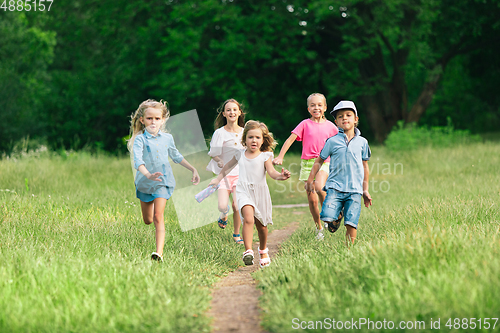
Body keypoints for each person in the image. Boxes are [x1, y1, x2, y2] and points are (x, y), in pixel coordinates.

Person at [209, 120, 291, 267]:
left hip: (260, 192)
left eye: (258, 138)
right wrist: (217, 179)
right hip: (243, 190)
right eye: (250, 137)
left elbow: (272, 173)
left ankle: (263, 250)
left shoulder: (265, 156)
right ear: (244, 139)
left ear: (263, 140)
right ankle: (248, 251)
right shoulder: (239, 154)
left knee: (262, 227)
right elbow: (227, 167)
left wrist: (281, 176)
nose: (254, 140)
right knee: (248, 219)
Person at [128, 99, 200, 262]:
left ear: (163, 120)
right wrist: (148, 175)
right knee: (148, 220)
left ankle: (158, 253)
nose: (153, 122)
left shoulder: (167, 138)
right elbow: (138, 161)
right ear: (142, 120)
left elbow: (176, 156)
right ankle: (150, 207)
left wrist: (192, 169)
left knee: (158, 216)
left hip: (163, 181)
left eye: (157, 119)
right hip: (145, 183)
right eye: (149, 118)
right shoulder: (140, 139)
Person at [273, 93, 340, 240]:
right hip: (307, 163)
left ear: (325, 108)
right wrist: (280, 156)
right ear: (308, 108)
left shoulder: (331, 126)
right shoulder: (304, 124)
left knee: (319, 187)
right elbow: (290, 140)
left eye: (319, 105)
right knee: (312, 199)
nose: (316, 108)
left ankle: (329, 215)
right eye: (313, 105)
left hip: (324, 162)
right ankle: (319, 228)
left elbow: (340, 143)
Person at [305, 101, 372, 245]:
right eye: (340, 117)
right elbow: (319, 160)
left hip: (355, 190)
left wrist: (365, 190)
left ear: (356, 119)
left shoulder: (362, 142)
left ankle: (348, 251)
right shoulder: (332, 141)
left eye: (348, 115)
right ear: (336, 122)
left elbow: (365, 166)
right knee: (327, 217)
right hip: (335, 188)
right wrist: (310, 180)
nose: (345, 118)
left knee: (351, 223)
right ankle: (337, 215)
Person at [206, 99, 245, 244]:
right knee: (222, 205)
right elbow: (213, 153)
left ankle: (236, 234)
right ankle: (223, 214)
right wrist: (218, 160)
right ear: (224, 114)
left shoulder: (244, 132)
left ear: (239, 112)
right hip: (224, 174)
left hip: (241, 174)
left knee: (237, 205)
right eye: (228, 110)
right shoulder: (220, 133)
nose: (232, 112)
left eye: (235, 109)